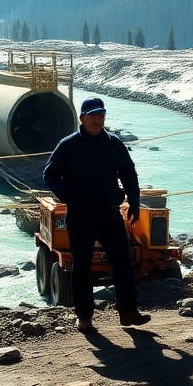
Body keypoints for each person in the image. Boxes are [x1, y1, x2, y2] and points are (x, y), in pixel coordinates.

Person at [43, 96, 152, 332]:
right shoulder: (68, 145)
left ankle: (128, 311)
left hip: (109, 214)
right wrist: (68, 196)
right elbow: (49, 174)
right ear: (82, 118)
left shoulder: (114, 144)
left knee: (123, 261)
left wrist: (134, 202)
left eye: (101, 115)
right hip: (80, 215)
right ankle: (84, 316)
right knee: (81, 266)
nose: (97, 119)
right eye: (92, 115)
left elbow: (128, 173)